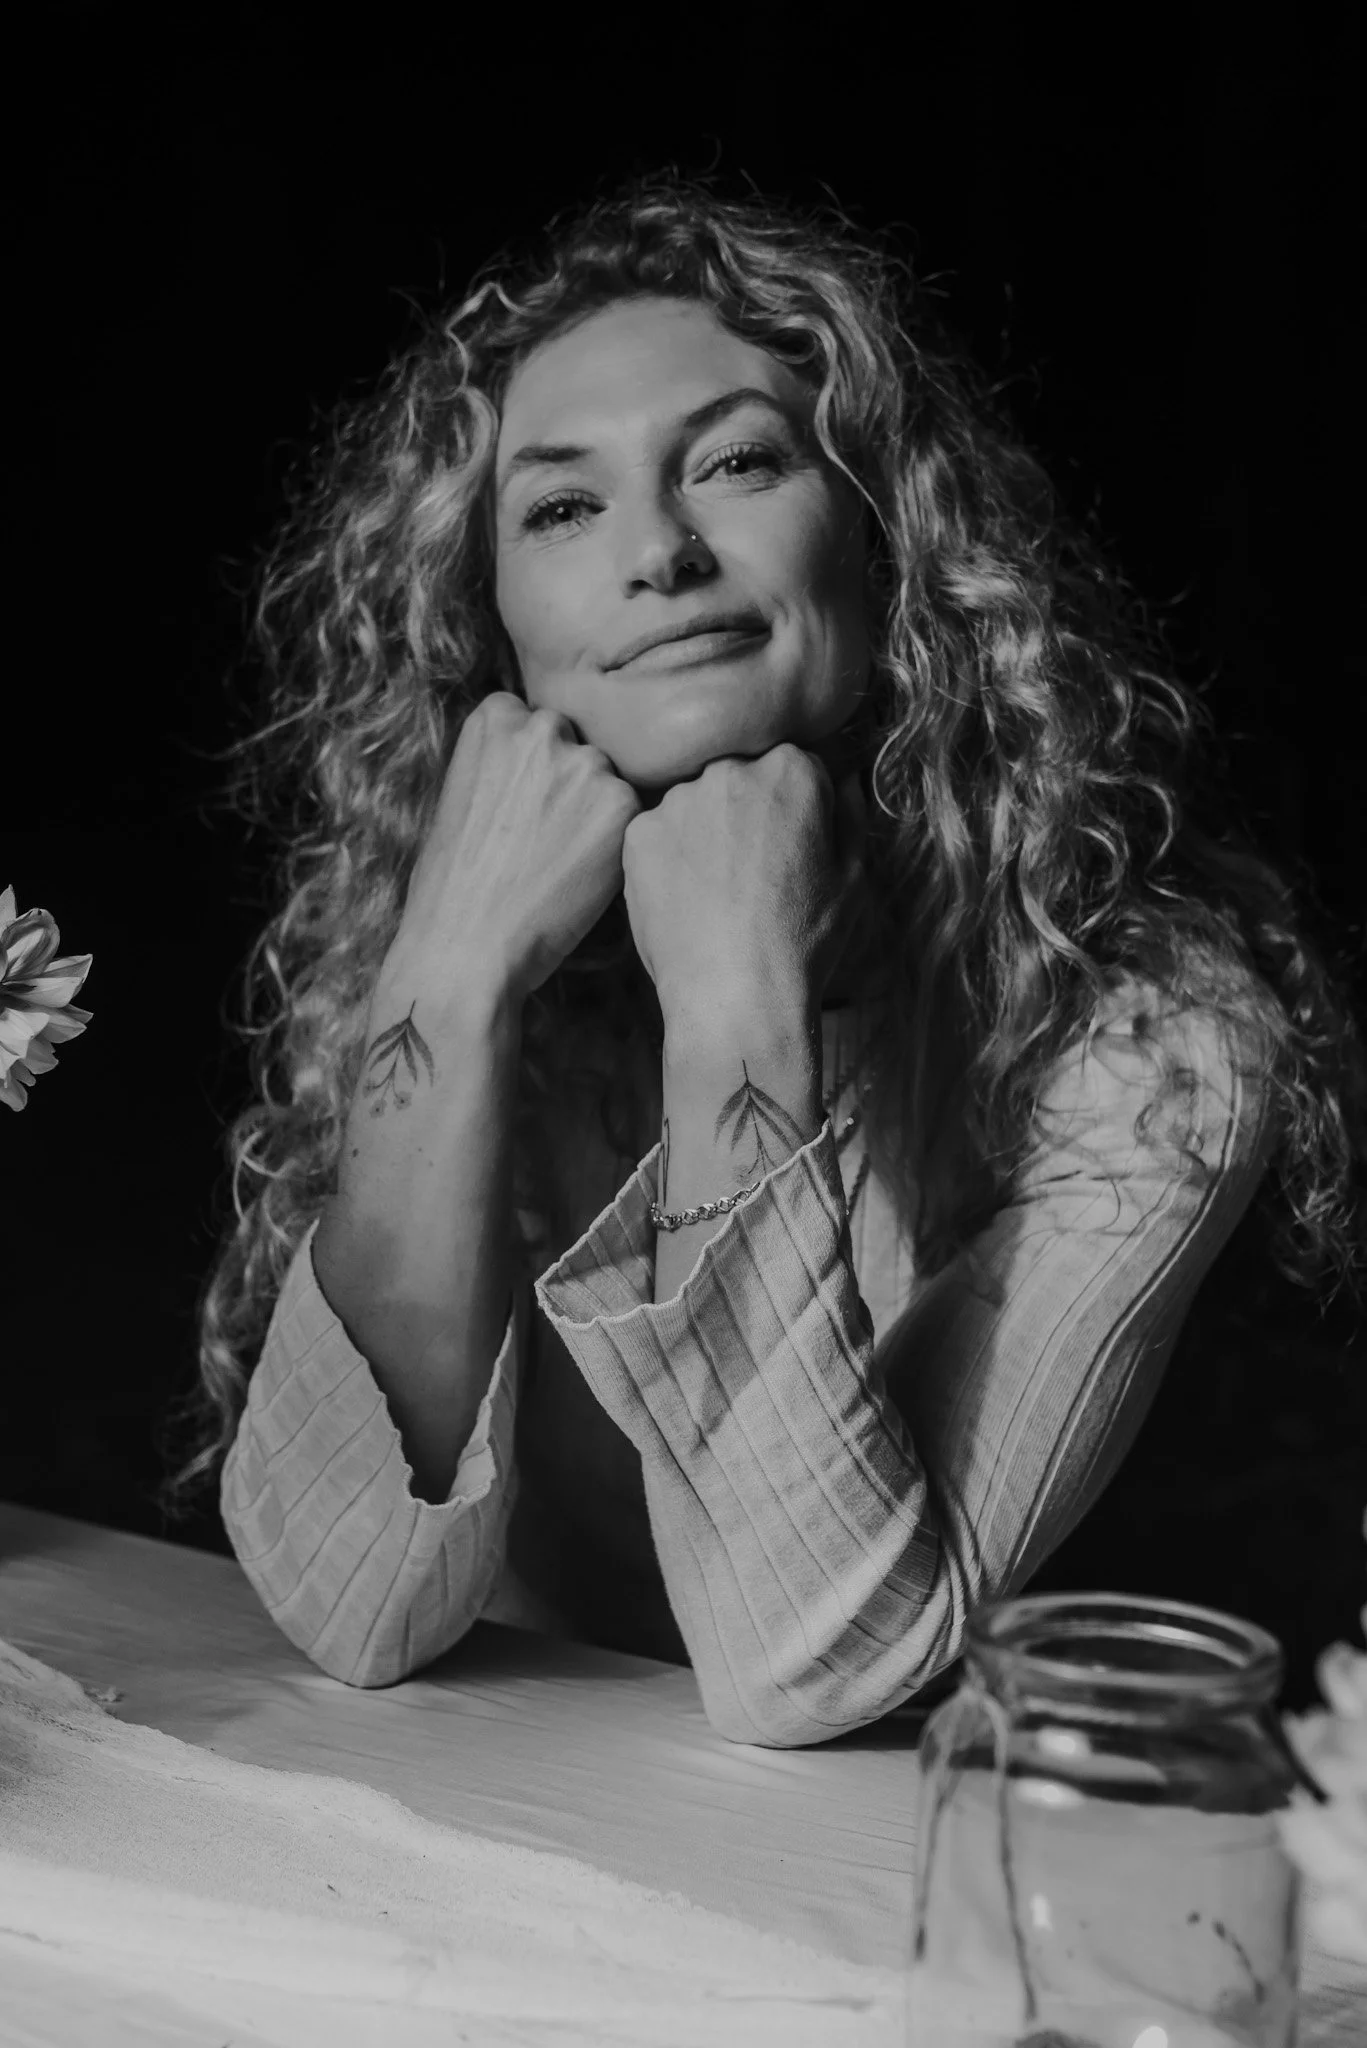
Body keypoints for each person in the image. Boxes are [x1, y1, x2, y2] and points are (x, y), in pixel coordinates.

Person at [158, 171, 1367, 1748]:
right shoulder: (456, 942)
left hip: (897, 1857)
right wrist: (448, 976)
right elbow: (351, 1609)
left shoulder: (1149, 1038)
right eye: (562, 508)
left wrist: (737, 997)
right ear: (490, 618)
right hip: (467, 1817)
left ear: (883, 535)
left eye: (734, 462)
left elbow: (800, 1665)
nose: (658, 553)